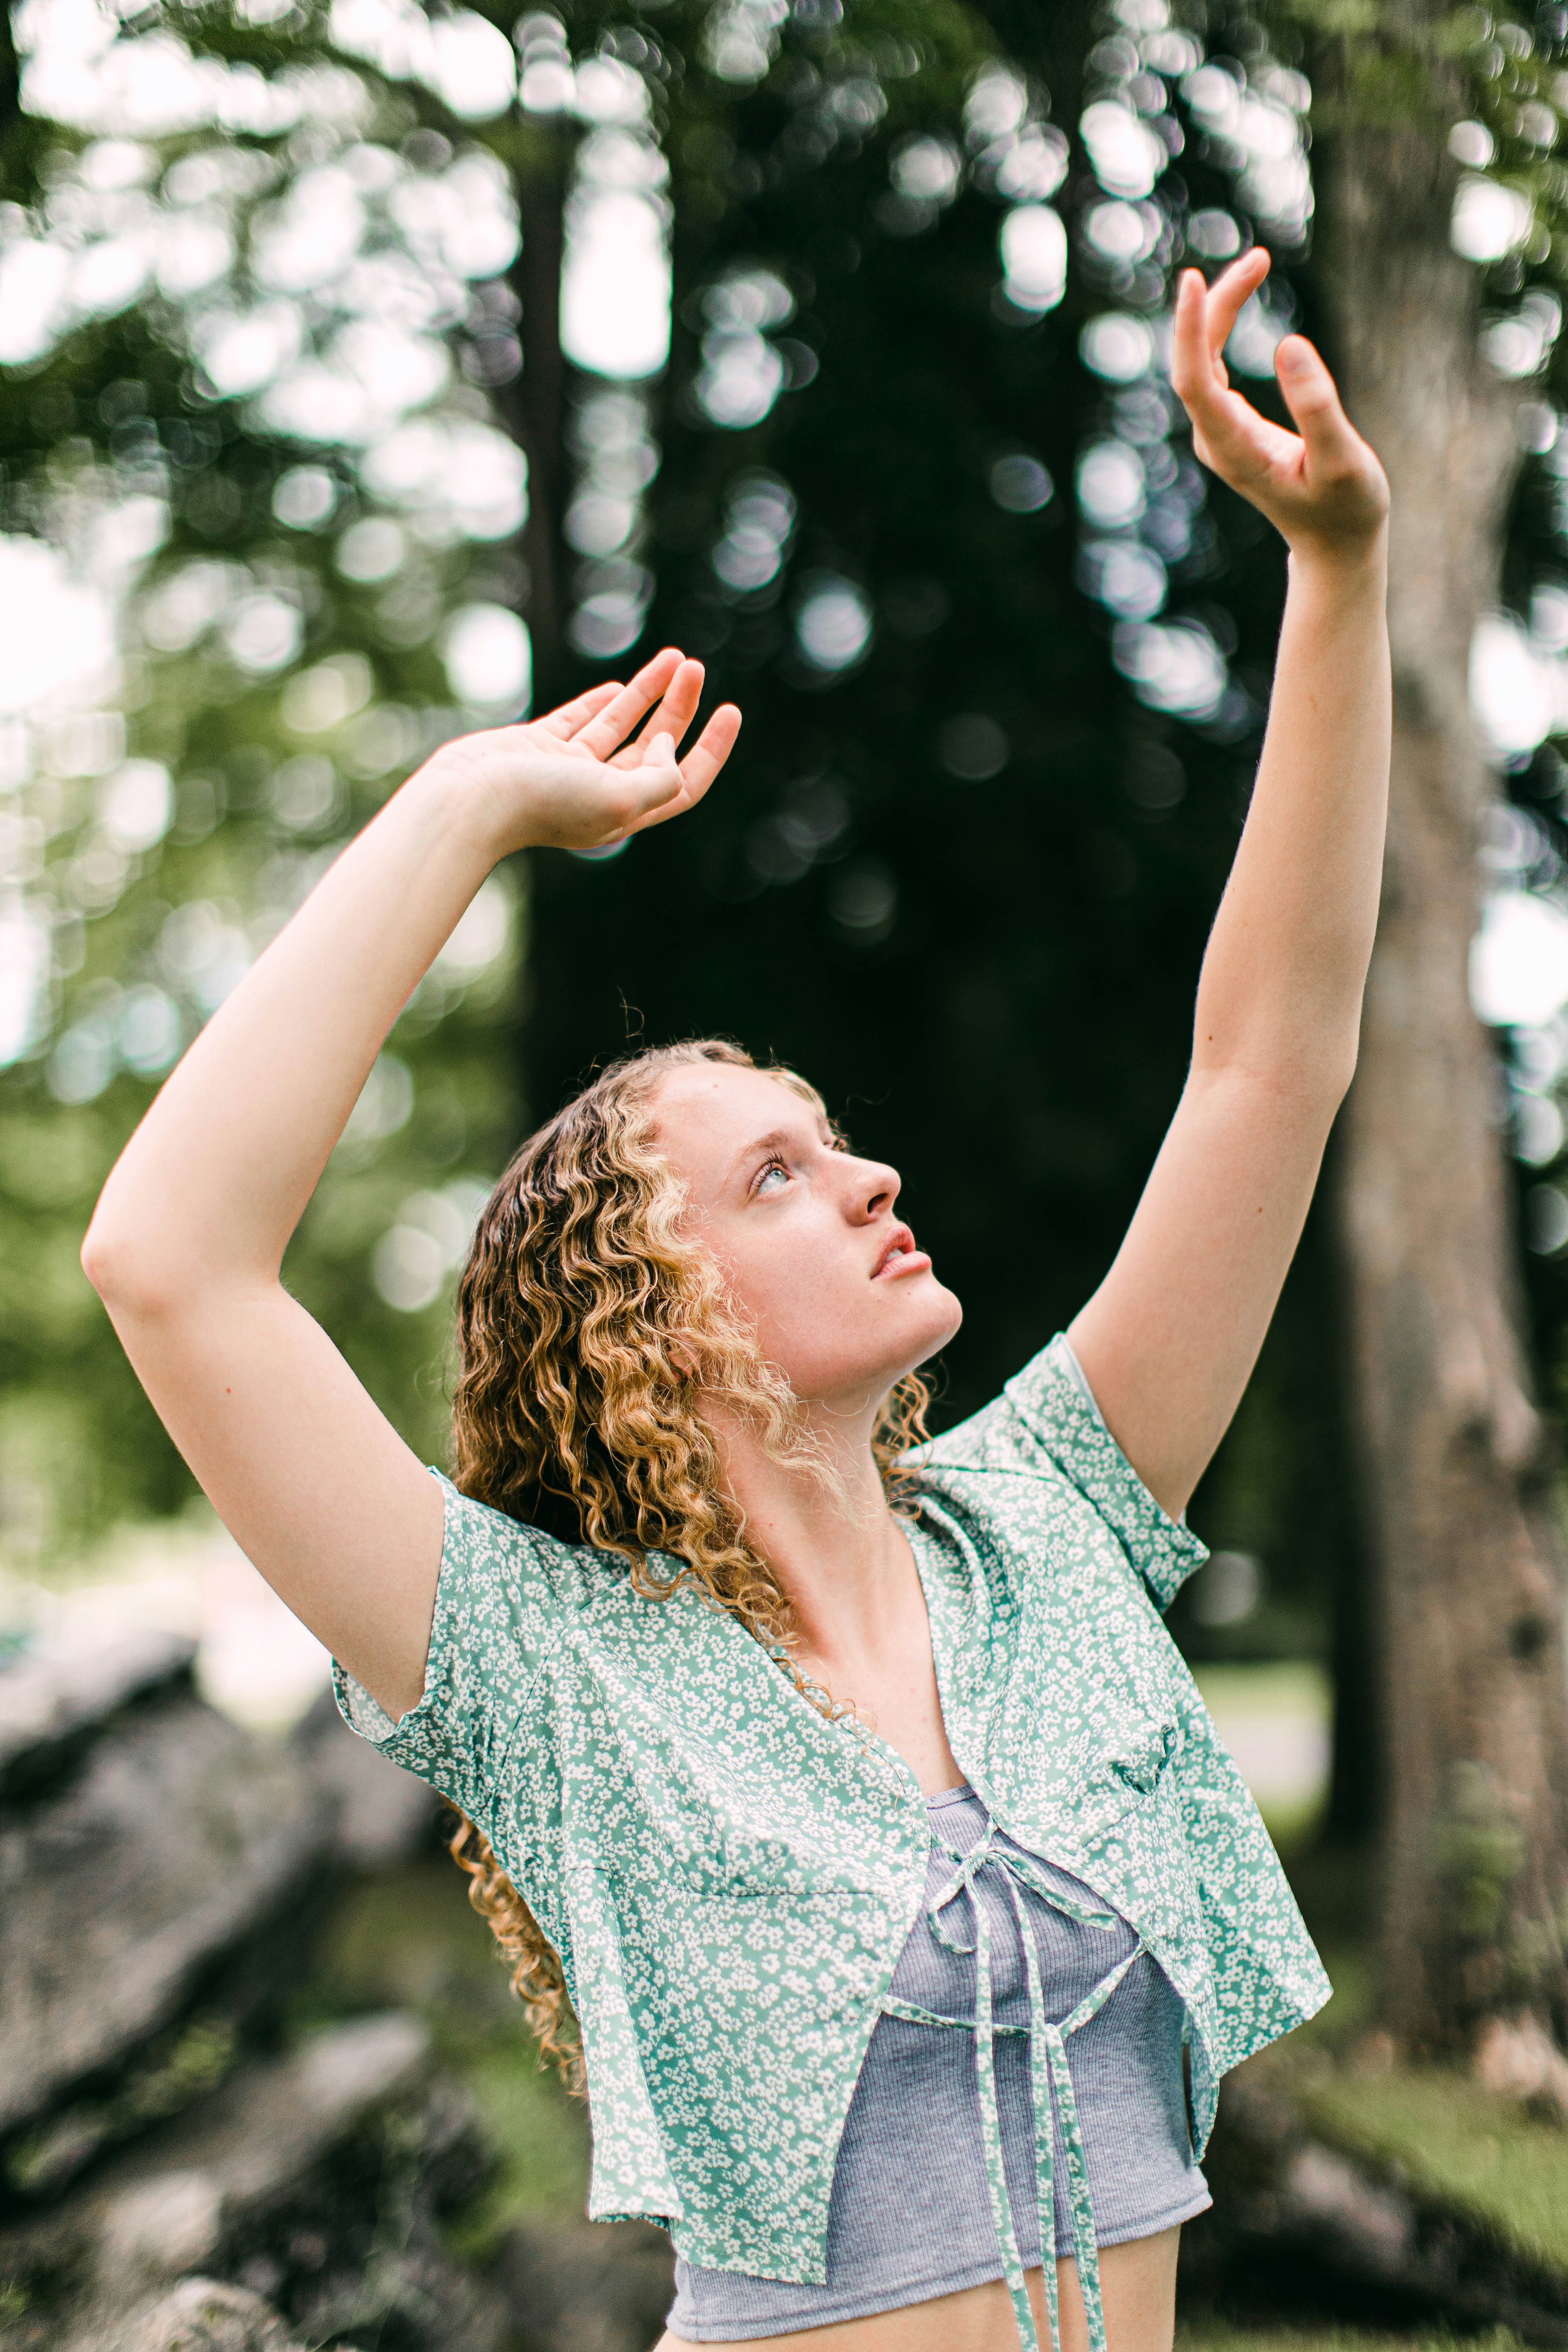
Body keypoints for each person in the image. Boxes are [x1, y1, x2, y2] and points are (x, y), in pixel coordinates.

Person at [82, 250, 1391, 2352]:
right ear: (646, 1316)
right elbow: (170, 1257)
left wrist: (1333, 571)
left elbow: (1266, 1061)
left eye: (832, 1133)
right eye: (773, 1171)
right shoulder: (550, 1670)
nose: (870, 1173)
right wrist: (470, 804)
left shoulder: (1047, 1523)